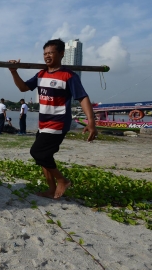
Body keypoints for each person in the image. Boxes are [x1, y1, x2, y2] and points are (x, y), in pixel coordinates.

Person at [8, 38, 97, 199]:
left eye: (50, 53)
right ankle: (51, 189)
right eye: (45, 53)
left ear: (61, 54)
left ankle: (62, 180)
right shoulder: (41, 74)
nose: (47, 56)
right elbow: (23, 88)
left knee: (38, 153)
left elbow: (82, 97)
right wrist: (14, 71)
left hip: (58, 123)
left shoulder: (69, 76)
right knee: (44, 158)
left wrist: (91, 122)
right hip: (43, 123)